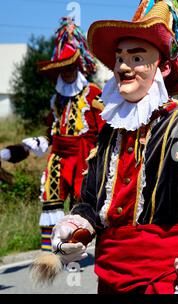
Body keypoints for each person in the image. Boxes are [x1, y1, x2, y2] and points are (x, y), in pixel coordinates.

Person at [30, 0, 178, 294]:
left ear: (164, 67)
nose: (122, 67)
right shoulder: (110, 127)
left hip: (162, 275)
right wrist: (77, 228)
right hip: (110, 272)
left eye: (136, 58)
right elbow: (91, 200)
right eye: (119, 58)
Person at [1, 17, 104, 251]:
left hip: (84, 156)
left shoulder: (93, 94)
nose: (66, 73)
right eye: (62, 69)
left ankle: (75, 248)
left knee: (82, 204)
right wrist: (38, 142)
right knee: (50, 199)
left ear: (77, 67)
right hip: (58, 155)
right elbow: (51, 130)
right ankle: (49, 253)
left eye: (70, 68)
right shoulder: (56, 99)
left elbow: (104, 131)